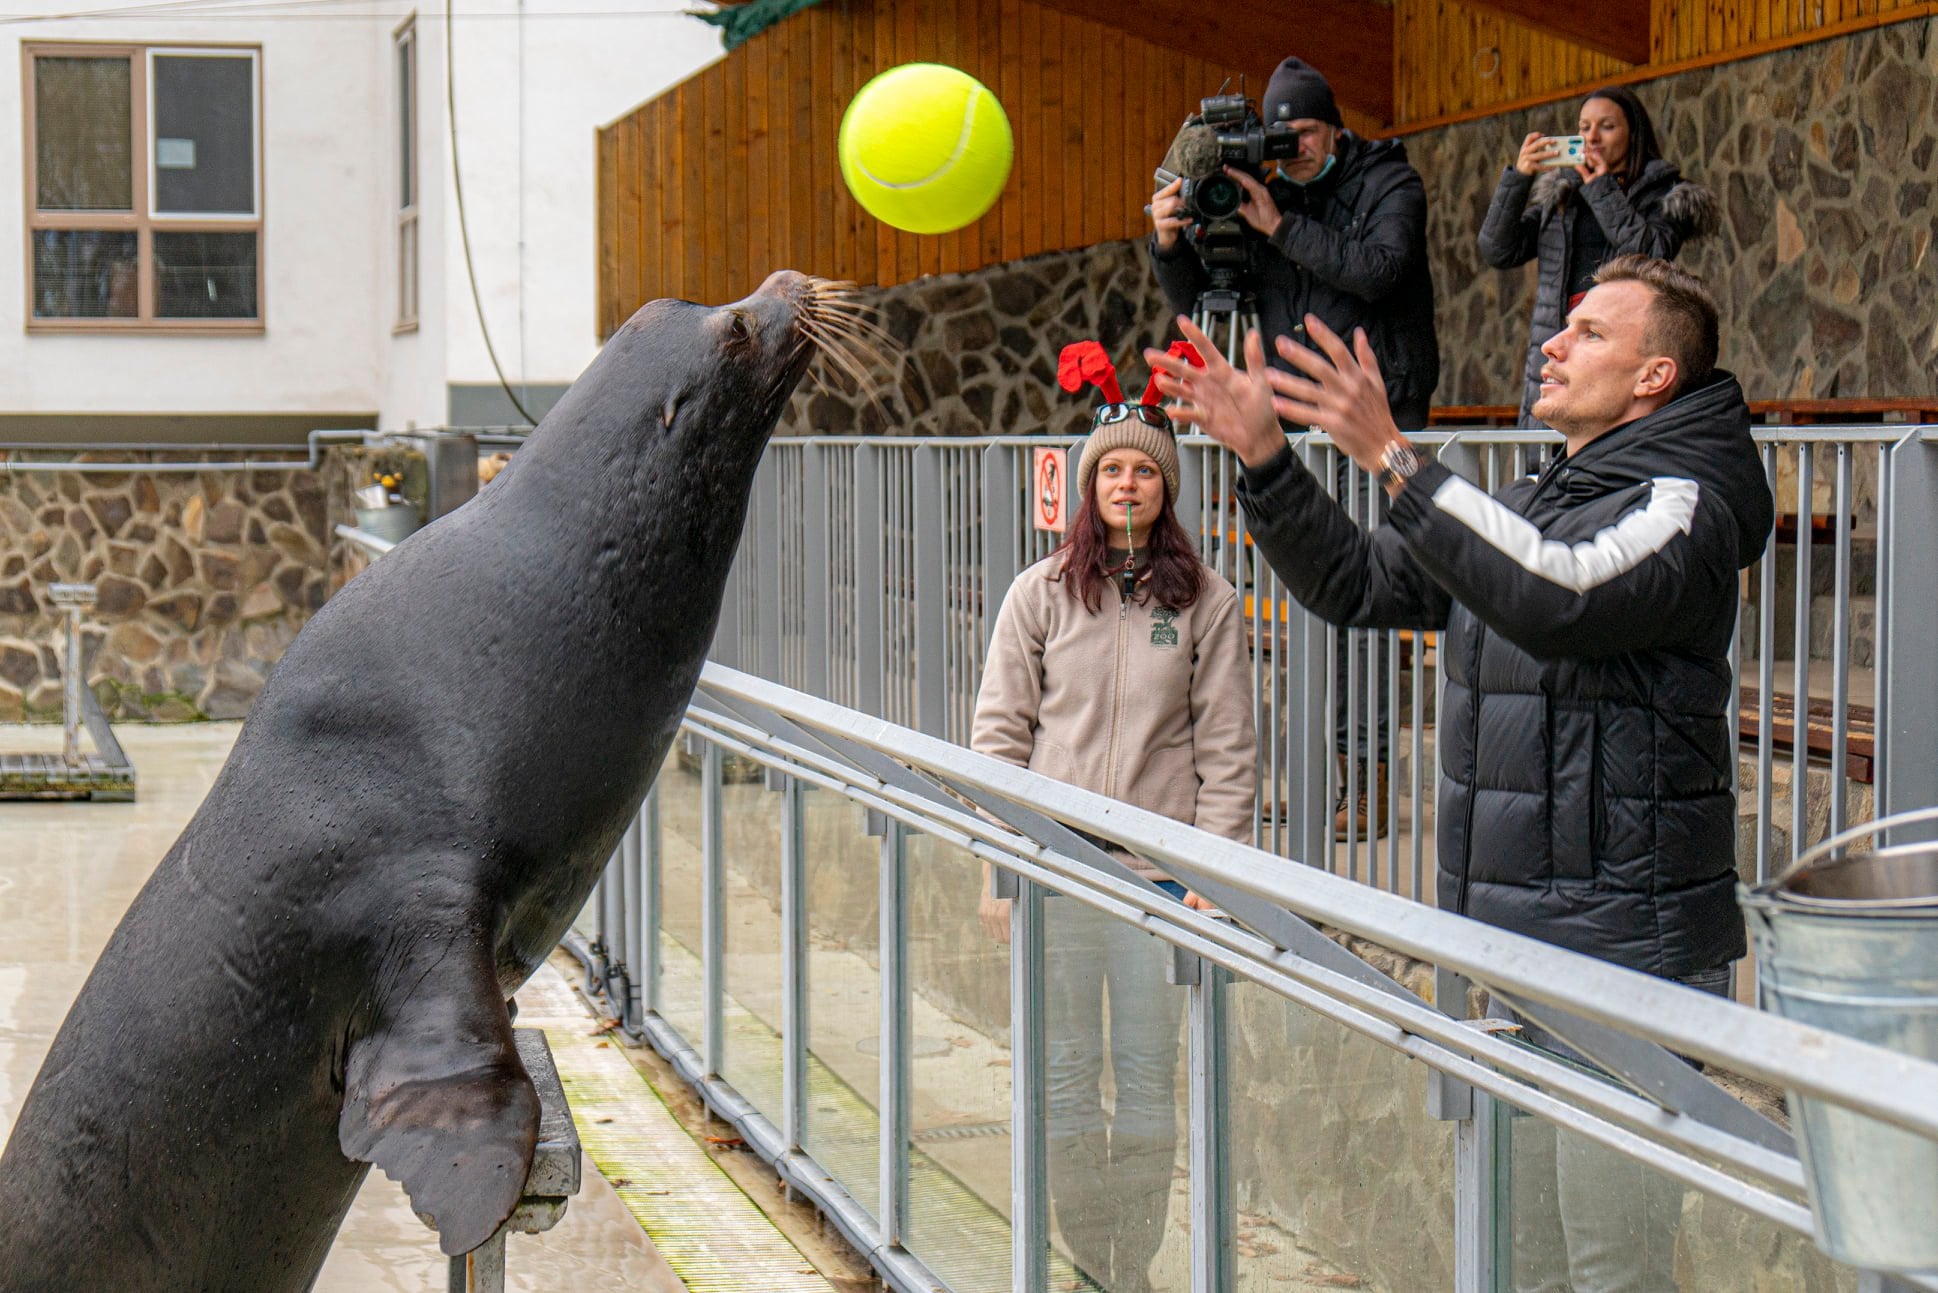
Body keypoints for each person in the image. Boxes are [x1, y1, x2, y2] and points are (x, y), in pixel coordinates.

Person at [1150, 255, 1770, 1289]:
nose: (1553, 346)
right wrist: (1265, 459)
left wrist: (1394, 454)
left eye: (1589, 333)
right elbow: (1358, 584)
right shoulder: (1537, 498)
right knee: (1521, 1252)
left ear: (1655, 376)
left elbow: (1556, 597)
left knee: (1615, 1262)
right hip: (1511, 941)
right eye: (1561, 328)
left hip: (1625, 955)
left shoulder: (1687, 502)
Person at [972, 352, 1257, 1293]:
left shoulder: (1206, 602)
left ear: (1164, 488)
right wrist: (1000, 870)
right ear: (1087, 487)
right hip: (1054, 875)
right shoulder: (1040, 593)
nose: (1125, 482)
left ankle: (1127, 1259)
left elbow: (1227, 751)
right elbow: (999, 739)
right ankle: (1086, 1257)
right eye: (1110, 470)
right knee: (1061, 1075)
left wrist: (1208, 878)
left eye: (1142, 469)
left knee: (1144, 1076)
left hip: (1154, 881)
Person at [1149, 55, 1438, 839]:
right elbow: (1212, 295)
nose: (1291, 148)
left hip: (1374, 428)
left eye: (1302, 132)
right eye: (1279, 135)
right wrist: (1173, 245)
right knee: (1313, 606)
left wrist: (1280, 223)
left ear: (1335, 125)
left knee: (1361, 609)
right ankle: (1323, 777)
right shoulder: (1257, 193)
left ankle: (1368, 781)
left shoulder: (1388, 183)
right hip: (1292, 427)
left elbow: (1380, 270)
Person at [1479, 85, 1718, 427]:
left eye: (1606, 126)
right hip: (1556, 342)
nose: (1592, 137)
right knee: (1544, 454)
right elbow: (1498, 249)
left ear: (1633, 134)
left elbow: (1651, 253)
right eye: (1584, 127)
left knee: (1605, 444)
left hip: (1617, 350)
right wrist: (1518, 179)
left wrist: (1601, 188)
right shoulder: (1561, 192)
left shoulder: (1665, 194)